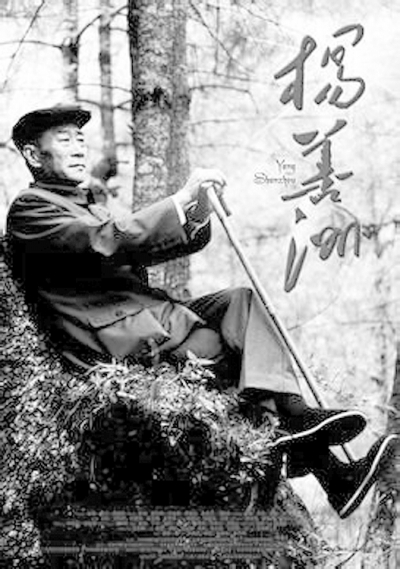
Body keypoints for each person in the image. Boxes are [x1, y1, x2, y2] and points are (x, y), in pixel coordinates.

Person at [6, 105, 397, 519]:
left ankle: (311, 441)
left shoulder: (87, 207)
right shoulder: (31, 210)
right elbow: (109, 241)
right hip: (114, 337)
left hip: (147, 320)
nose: (78, 148)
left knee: (240, 302)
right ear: (33, 155)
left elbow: (137, 244)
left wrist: (196, 214)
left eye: (81, 139)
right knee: (231, 350)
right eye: (64, 140)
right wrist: (178, 200)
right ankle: (322, 462)